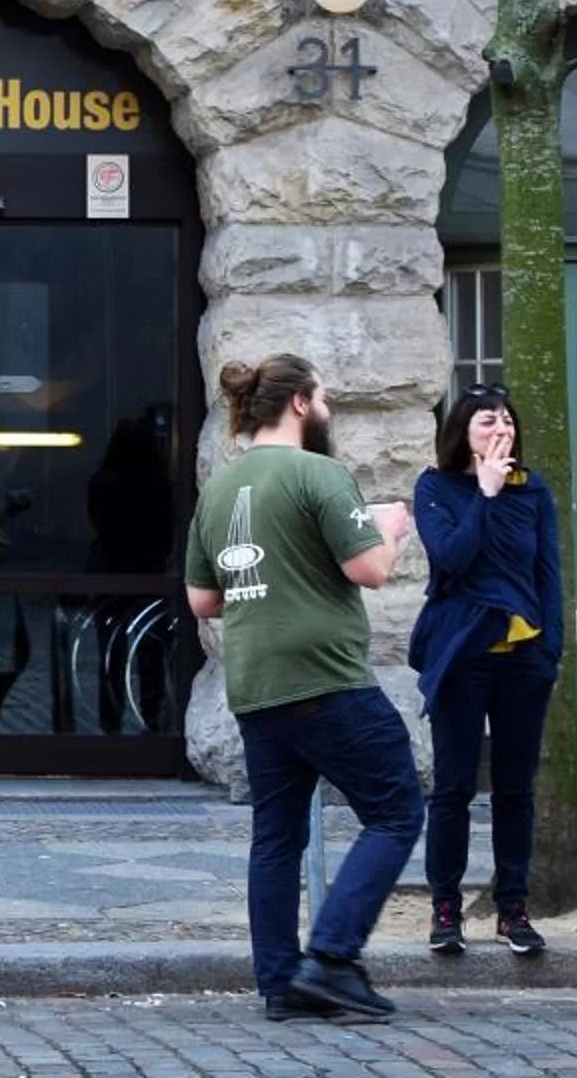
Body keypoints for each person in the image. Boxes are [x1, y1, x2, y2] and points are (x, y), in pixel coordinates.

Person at [185, 353, 423, 1024]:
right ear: (298, 403)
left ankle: (280, 983)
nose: (329, 412)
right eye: (324, 400)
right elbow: (371, 570)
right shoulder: (320, 474)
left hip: (257, 682)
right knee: (397, 810)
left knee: (276, 836)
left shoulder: (220, 489)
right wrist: (392, 531)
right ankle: (332, 959)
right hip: (325, 674)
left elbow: (203, 598)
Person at [408, 383, 561, 959]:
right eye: (486, 424)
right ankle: (445, 908)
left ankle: (512, 907)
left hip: (524, 658)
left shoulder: (534, 490)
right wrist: (485, 495)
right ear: (462, 435)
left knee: (515, 790)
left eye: (506, 422)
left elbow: (548, 575)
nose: (501, 432)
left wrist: (552, 652)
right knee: (452, 788)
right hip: (463, 655)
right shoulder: (436, 488)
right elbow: (452, 558)